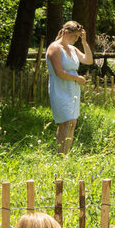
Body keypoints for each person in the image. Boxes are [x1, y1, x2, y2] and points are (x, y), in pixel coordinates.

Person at [46, 21, 94, 154]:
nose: (76, 39)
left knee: (71, 123)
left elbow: (89, 60)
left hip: (72, 89)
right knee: (65, 122)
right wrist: (77, 78)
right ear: (66, 33)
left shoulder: (72, 49)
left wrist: (84, 43)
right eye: (74, 36)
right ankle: (62, 154)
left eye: (78, 37)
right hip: (60, 88)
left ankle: (63, 153)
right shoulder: (55, 48)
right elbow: (59, 72)